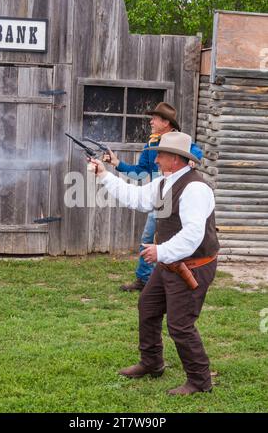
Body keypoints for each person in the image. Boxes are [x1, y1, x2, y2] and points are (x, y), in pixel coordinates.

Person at [90, 132, 220, 395]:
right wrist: (104, 175)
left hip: (192, 266)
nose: (156, 159)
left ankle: (199, 381)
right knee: (148, 306)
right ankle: (152, 363)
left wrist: (161, 251)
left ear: (175, 159)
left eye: (160, 155)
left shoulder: (195, 189)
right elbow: (135, 198)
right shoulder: (165, 182)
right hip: (171, 262)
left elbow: (193, 235)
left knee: (180, 325)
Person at [103, 102, 203, 292]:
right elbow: (140, 173)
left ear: (166, 122)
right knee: (149, 238)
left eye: (155, 118)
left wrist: (190, 158)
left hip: (177, 200)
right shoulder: (151, 144)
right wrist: (117, 164)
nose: (151, 122)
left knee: (178, 239)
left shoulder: (182, 142)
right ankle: (144, 280)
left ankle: (177, 277)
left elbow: (196, 153)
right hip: (158, 198)